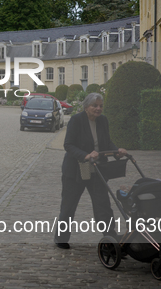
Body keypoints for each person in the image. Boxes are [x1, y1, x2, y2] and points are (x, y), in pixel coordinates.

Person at [55, 93, 128, 249]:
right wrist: (85, 155)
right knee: (69, 206)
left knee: (103, 205)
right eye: (95, 105)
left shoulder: (103, 121)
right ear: (86, 107)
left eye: (101, 105)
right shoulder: (76, 120)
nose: (98, 108)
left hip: (97, 168)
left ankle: (110, 238)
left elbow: (106, 142)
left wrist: (116, 151)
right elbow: (68, 145)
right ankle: (61, 238)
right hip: (78, 168)